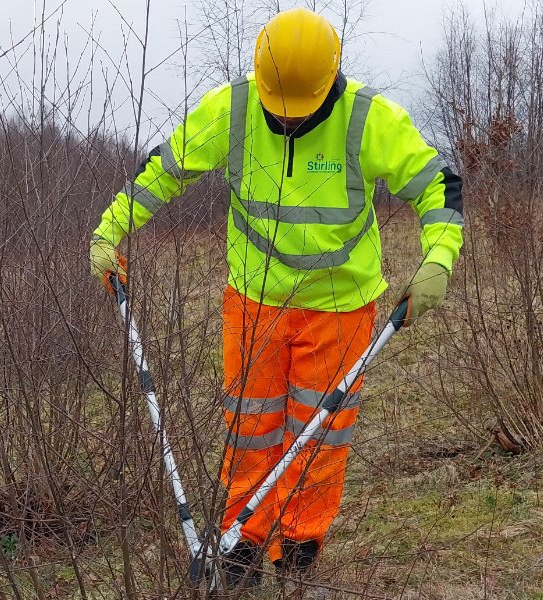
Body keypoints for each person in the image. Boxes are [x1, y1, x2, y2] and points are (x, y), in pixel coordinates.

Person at [88, 6, 464, 589]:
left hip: (340, 305)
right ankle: (243, 538)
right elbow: (163, 170)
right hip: (255, 302)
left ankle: (299, 545)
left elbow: (438, 183)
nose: (285, 122)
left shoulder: (369, 119)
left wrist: (437, 259)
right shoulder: (234, 110)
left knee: (319, 432)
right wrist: (111, 230)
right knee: (251, 426)